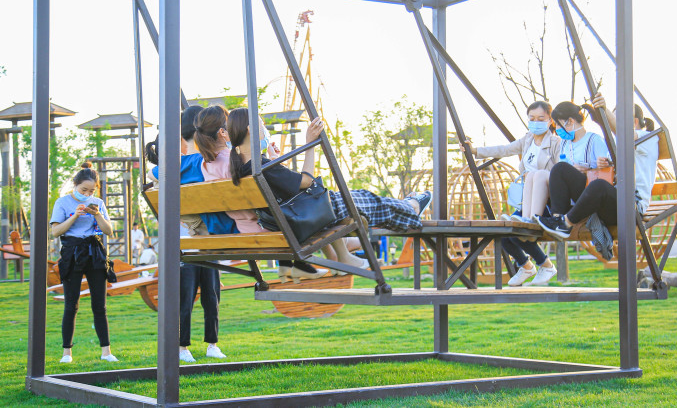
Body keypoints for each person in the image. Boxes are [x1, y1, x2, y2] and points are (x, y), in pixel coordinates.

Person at [201, 107, 432, 277]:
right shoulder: (261, 167)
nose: (265, 129)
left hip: (285, 220)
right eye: (261, 125)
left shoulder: (239, 165)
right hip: (303, 218)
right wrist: (309, 144)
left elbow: (280, 184)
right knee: (365, 200)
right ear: (251, 130)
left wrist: (274, 159)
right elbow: (307, 181)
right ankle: (410, 208)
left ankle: (404, 210)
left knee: (360, 201)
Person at [144, 105, 229, 363]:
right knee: (195, 299)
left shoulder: (174, 168)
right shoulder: (204, 163)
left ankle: (204, 344)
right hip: (198, 242)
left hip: (195, 242)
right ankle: (188, 346)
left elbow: (151, 174)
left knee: (204, 298)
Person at [538, 94, 658, 239]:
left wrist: (604, 110)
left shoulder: (648, 138)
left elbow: (626, 135)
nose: (611, 124)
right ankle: (556, 219)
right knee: (560, 168)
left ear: (634, 121)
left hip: (630, 206)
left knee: (599, 185)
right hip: (608, 200)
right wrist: (601, 166)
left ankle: (566, 223)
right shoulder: (616, 143)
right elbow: (607, 175)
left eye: (614, 119)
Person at [50, 163, 117, 364]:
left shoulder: (97, 203)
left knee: (100, 306)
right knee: (71, 304)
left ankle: (106, 352)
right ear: (75, 185)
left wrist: (97, 214)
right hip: (72, 252)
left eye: (91, 191)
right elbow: (55, 231)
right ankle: (66, 353)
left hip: (94, 252)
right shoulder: (62, 202)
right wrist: (75, 216)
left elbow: (108, 231)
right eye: (83, 190)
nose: (87, 194)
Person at [465, 101, 561, 221]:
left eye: (541, 119)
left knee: (534, 175)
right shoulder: (527, 140)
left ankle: (531, 219)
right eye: (532, 119)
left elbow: (560, 171)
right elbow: (504, 150)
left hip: (547, 195)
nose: (536, 122)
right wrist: (475, 151)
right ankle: (526, 219)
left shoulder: (556, 143)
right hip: (527, 194)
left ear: (550, 121)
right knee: (510, 230)